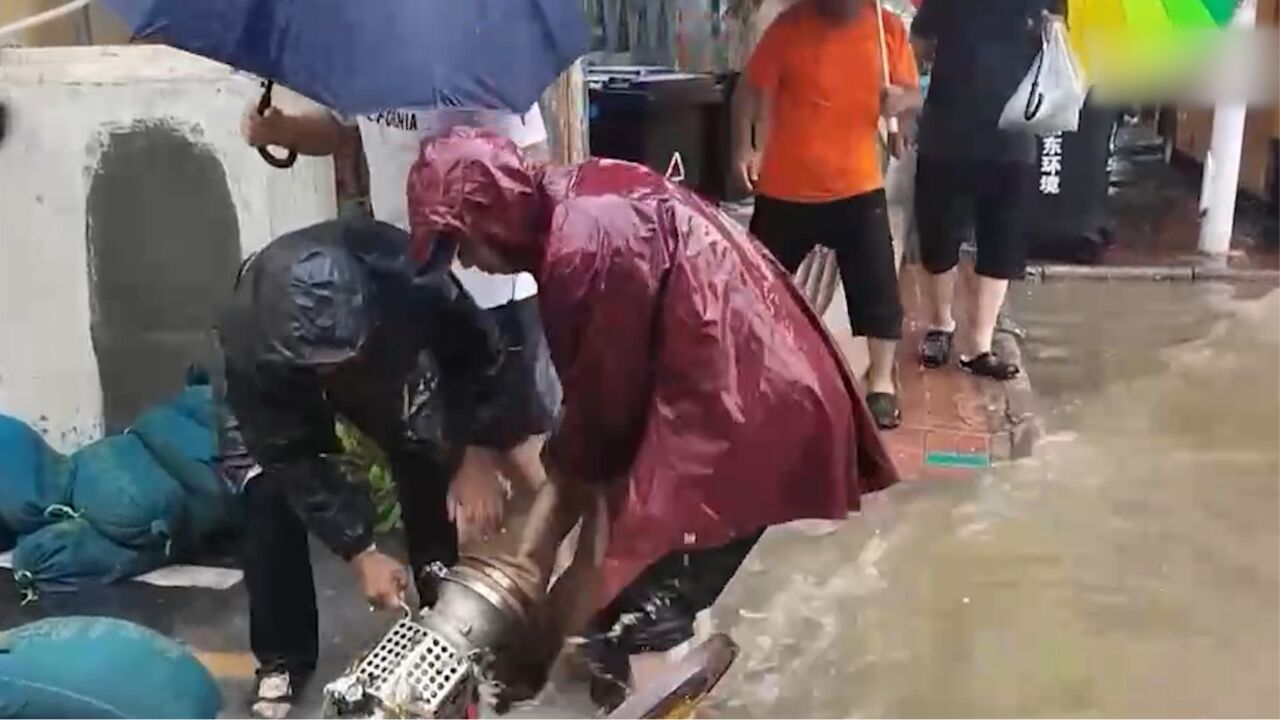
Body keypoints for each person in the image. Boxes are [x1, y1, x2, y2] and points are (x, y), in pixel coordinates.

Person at [405, 128, 901, 709]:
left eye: (462, 245)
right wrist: (545, 558)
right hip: (741, 388)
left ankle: (659, 676)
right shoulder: (573, 201)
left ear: (490, 215)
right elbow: (597, 429)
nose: (468, 263)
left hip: (748, 416)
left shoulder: (582, 248)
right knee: (616, 592)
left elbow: (601, 426)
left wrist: (543, 593)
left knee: (645, 612)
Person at [215, 217, 543, 719]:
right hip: (280, 379)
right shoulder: (251, 344)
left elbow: (479, 354)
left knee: (423, 443)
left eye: (346, 360)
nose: (339, 374)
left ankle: (444, 620)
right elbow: (290, 453)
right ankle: (283, 658)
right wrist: (359, 550)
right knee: (266, 491)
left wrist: (473, 451)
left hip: (385, 348)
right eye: (329, 367)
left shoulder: (407, 275)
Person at [732, 0, 921, 430]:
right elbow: (749, 90)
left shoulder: (886, 29)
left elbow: (912, 98)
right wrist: (744, 147)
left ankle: (880, 384)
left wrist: (901, 106)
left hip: (857, 184)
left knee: (878, 293)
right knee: (754, 288)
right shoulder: (789, 27)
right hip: (785, 187)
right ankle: (751, 372)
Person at [910, 0, 1054, 380]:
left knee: (1002, 242)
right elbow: (919, 42)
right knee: (938, 235)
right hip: (947, 133)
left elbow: (1063, 46)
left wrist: (1052, 32)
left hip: (1013, 135)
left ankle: (980, 346)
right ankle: (940, 326)